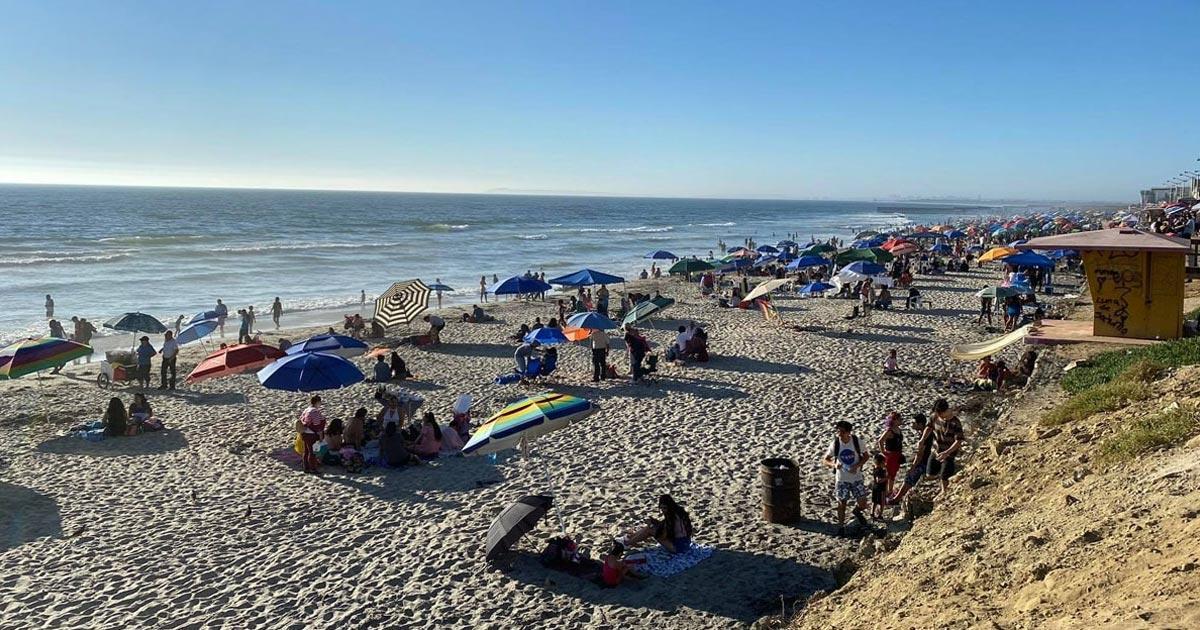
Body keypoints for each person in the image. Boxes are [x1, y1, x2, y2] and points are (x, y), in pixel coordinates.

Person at [823, 420, 868, 536]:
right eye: (838, 431)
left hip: (856, 477)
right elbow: (825, 459)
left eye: (842, 431)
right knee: (841, 504)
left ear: (848, 432)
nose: (839, 434)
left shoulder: (857, 442)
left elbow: (866, 456)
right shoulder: (836, 444)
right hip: (842, 479)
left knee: (863, 503)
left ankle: (857, 511)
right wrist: (834, 465)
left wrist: (857, 466)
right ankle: (841, 526)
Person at [617, 494, 694, 554]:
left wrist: (652, 527)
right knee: (651, 527)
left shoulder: (672, 518)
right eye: (662, 508)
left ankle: (627, 543)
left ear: (669, 506)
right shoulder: (679, 512)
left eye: (665, 508)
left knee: (650, 529)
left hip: (678, 547)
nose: (663, 511)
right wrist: (655, 523)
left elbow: (663, 536)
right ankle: (630, 539)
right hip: (686, 542)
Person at [928, 398, 964, 495]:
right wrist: (922, 439)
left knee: (944, 476)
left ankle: (944, 492)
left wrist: (946, 452)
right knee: (930, 474)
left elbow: (958, 441)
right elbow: (929, 427)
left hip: (949, 453)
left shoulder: (955, 422)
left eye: (939, 413)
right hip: (936, 450)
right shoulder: (934, 417)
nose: (938, 415)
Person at [298, 395, 326, 474]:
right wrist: (320, 435)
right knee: (312, 452)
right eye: (320, 402)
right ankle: (313, 468)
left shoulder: (307, 410)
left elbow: (301, 420)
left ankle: (306, 467)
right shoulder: (315, 411)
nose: (320, 404)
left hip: (305, 433)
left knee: (306, 451)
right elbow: (317, 425)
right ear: (317, 402)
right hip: (312, 434)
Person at [877, 411, 903, 493]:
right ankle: (889, 491)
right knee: (890, 474)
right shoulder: (890, 431)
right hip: (891, 454)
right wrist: (883, 452)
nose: (901, 420)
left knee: (893, 473)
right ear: (894, 420)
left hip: (897, 454)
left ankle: (889, 490)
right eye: (899, 419)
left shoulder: (898, 429)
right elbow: (880, 441)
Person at [870, 453, 889, 520]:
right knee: (882, 502)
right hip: (881, 488)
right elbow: (879, 480)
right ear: (881, 463)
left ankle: (872, 513)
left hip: (875, 487)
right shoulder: (880, 470)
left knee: (874, 501)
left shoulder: (875, 469)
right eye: (884, 462)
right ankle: (880, 515)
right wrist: (886, 478)